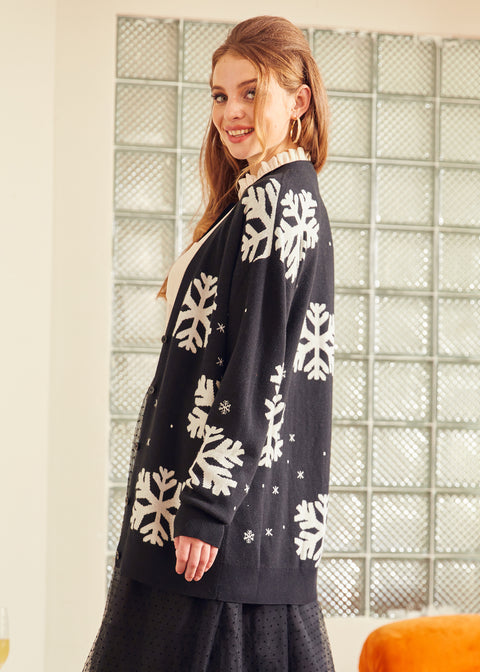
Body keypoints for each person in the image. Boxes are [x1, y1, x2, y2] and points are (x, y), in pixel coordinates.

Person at [83, 15, 335, 672]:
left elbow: (257, 370)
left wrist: (205, 506)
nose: (231, 112)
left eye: (251, 92)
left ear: (299, 101)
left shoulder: (279, 204)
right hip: (209, 509)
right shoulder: (259, 196)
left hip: (219, 520)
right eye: (220, 95)